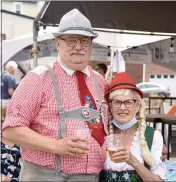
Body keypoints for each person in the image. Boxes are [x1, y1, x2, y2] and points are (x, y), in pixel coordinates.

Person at [2, 9, 109, 181]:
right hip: (46, 176)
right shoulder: (38, 78)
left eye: (84, 40)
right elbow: (10, 131)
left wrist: (148, 147)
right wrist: (56, 146)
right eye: (71, 40)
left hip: (92, 176)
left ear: (91, 44)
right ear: (58, 43)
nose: (79, 46)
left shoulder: (100, 82)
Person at [100, 72, 166, 181]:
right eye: (117, 102)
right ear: (110, 106)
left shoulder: (152, 136)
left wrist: (133, 161)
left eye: (128, 102)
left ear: (137, 105)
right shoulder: (102, 133)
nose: (122, 107)